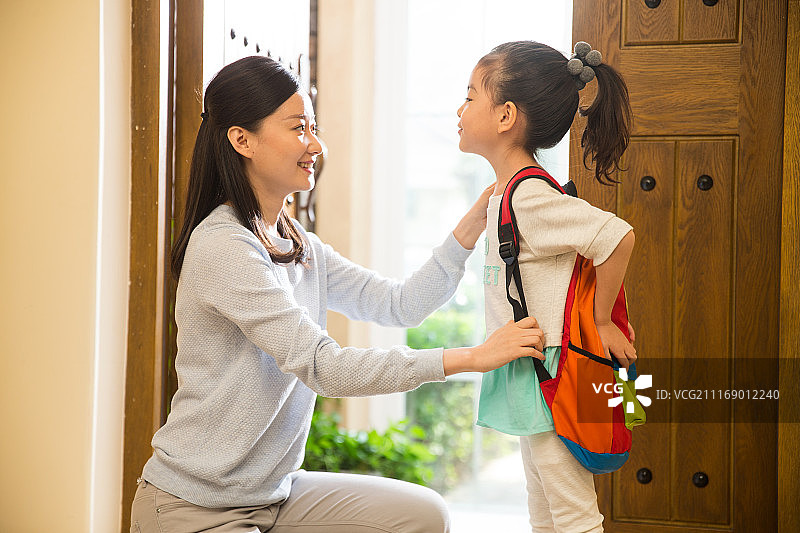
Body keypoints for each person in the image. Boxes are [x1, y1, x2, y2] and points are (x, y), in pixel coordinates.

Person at [130, 55, 545, 533]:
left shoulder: (297, 243)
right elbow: (325, 368)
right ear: (242, 140)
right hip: (194, 506)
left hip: (277, 495)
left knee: (423, 517)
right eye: (298, 128)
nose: (315, 144)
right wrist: (469, 358)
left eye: (313, 126)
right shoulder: (223, 245)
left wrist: (473, 223)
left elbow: (399, 304)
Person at [456, 41, 637, 532]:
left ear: (505, 116)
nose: (460, 108)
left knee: (573, 514)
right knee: (544, 507)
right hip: (530, 368)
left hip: (552, 372)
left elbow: (616, 236)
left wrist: (601, 321)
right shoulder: (507, 193)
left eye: (470, 96)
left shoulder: (529, 195)